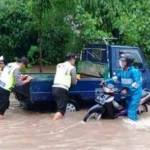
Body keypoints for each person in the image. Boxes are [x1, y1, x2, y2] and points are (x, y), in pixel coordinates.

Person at [107, 54, 142, 122]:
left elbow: (137, 83)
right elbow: (115, 78)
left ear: (127, 63)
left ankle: (134, 127)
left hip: (135, 94)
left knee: (131, 111)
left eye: (122, 61)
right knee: (126, 109)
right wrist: (105, 81)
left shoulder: (134, 71)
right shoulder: (122, 71)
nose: (120, 62)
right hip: (127, 94)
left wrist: (127, 89)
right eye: (120, 61)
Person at [52, 53, 79, 120]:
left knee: (59, 109)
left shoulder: (59, 65)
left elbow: (61, 75)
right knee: (61, 111)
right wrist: (76, 78)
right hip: (62, 89)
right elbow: (74, 82)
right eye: (75, 59)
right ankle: (52, 125)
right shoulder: (72, 68)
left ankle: (57, 123)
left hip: (54, 88)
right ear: (72, 59)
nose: (75, 61)